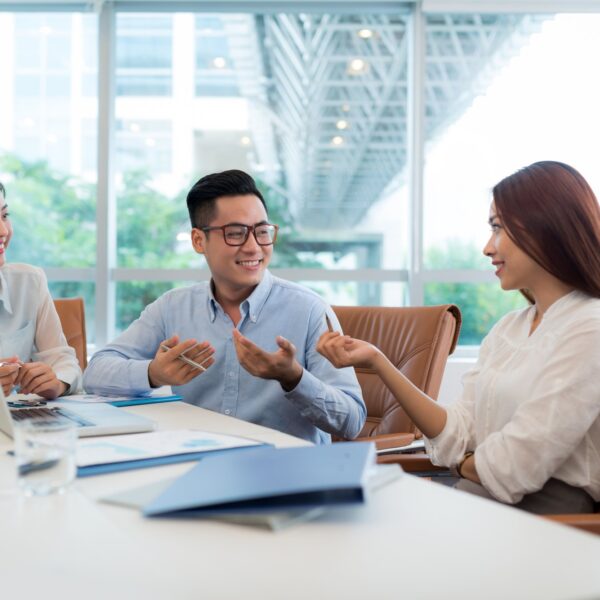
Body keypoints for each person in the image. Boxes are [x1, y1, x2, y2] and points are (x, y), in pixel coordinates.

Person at [317, 160, 600, 514]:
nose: (487, 247)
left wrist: (462, 463)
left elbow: (514, 468)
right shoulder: (511, 327)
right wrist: (378, 361)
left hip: (548, 521)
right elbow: (459, 430)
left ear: (547, 227)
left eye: (498, 228)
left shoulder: (589, 327)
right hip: (484, 501)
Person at [83, 169, 365, 443]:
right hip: (197, 464)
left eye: (262, 231)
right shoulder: (173, 307)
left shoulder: (309, 310)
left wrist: (294, 378)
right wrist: (153, 373)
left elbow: (351, 421)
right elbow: (96, 372)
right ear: (198, 240)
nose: (254, 247)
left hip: (284, 473)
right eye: (236, 233)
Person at [0, 181, 82, 399]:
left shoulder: (29, 282)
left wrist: (56, 382)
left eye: (4, 216)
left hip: (17, 426)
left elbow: (65, 363)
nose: (3, 231)